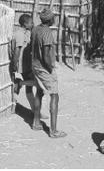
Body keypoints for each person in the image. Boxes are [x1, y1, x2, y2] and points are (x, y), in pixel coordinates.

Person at [30, 8, 66, 138]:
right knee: (54, 95)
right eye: (53, 17)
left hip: (34, 65)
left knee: (39, 91)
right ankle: (53, 130)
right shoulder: (47, 33)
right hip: (43, 67)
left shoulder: (35, 29)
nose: (54, 19)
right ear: (50, 19)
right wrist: (50, 68)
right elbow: (45, 54)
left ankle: (36, 122)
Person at [10, 13, 48, 119]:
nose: (33, 23)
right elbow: (17, 51)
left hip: (27, 63)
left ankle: (36, 112)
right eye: (31, 22)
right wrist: (15, 64)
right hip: (23, 65)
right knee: (38, 84)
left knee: (29, 89)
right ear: (25, 24)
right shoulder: (19, 34)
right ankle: (19, 82)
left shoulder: (26, 32)